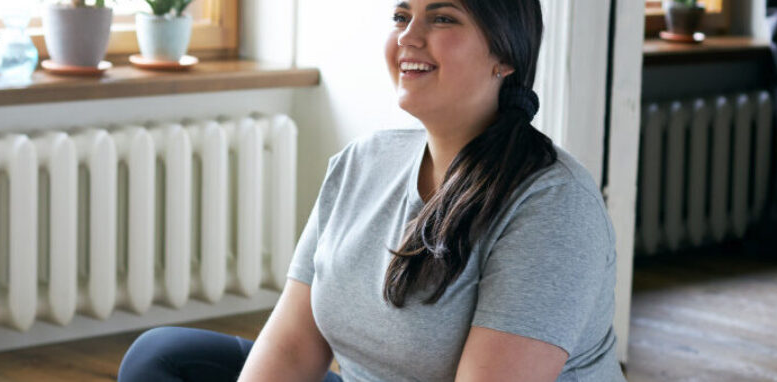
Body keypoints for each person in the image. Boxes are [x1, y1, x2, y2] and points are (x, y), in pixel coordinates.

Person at [118, 0, 624, 380]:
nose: (410, 36)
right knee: (161, 357)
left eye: (442, 18)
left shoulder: (553, 205)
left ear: (506, 55)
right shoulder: (364, 161)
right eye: (403, 16)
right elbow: (294, 345)